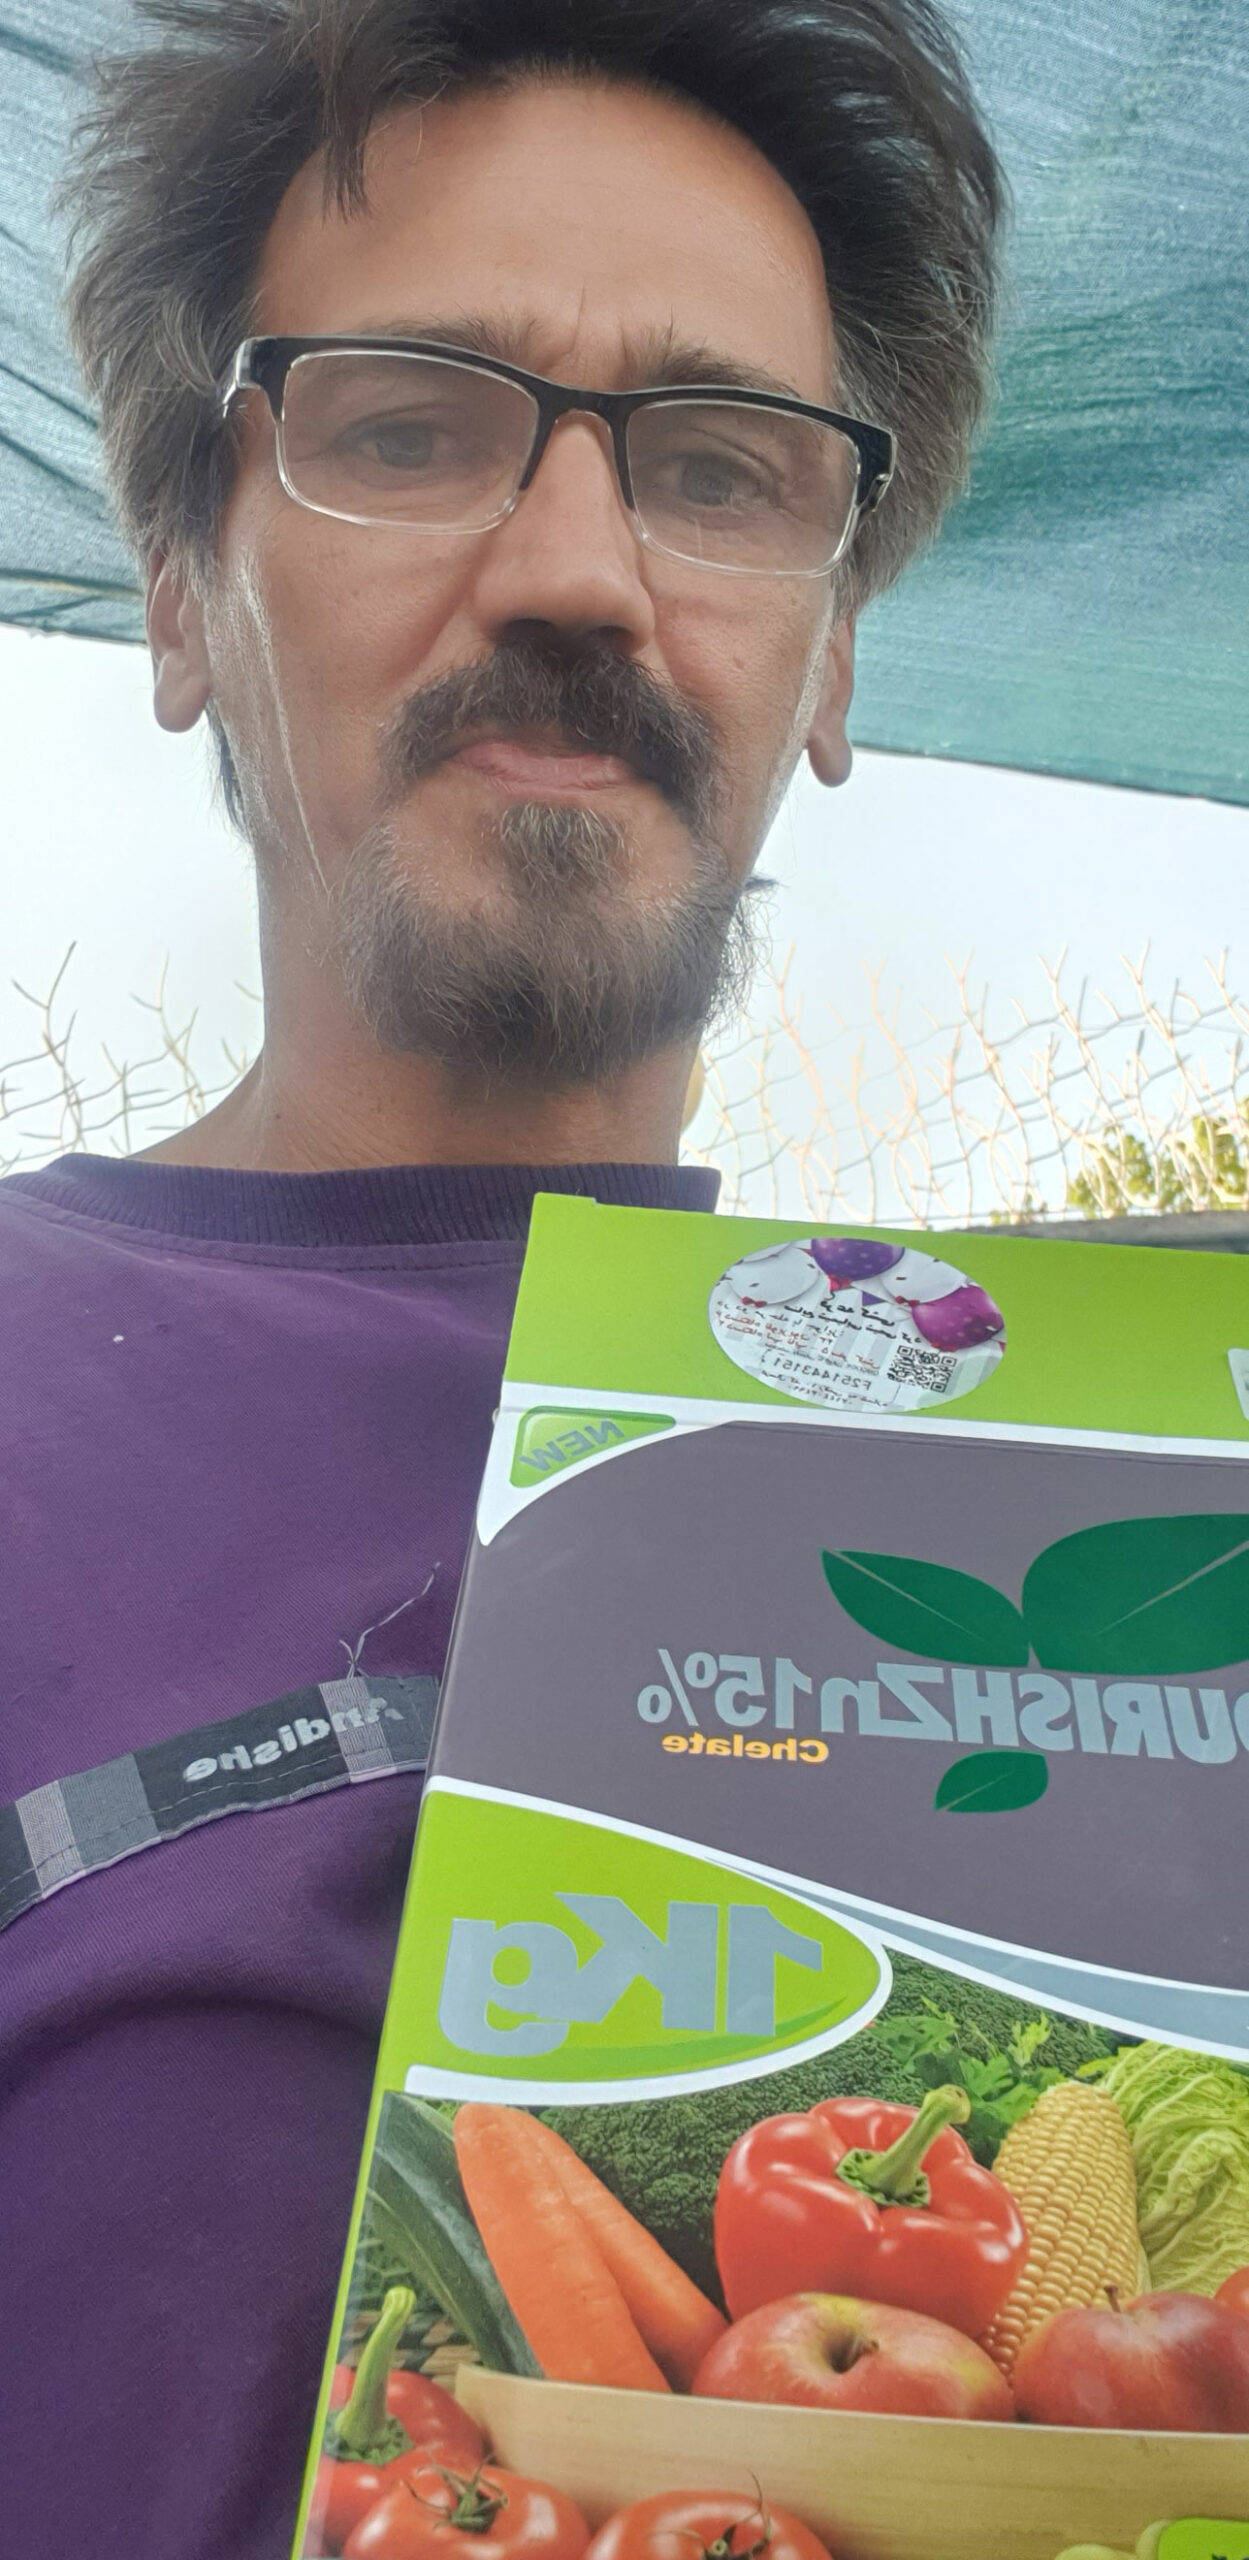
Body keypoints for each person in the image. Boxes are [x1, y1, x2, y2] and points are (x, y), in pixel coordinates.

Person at [0, 3, 1003, 2551]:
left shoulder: (1074, 1481)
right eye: (412, 426)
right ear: (182, 590)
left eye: (720, 465)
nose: (575, 568)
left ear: (832, 656)